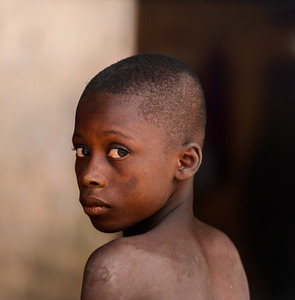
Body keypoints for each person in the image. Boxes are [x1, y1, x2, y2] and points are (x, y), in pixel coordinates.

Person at [72, 53, 249, 299]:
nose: (90, 175)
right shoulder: (224, 251)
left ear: (186, 162)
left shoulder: (117, 267)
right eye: (83, 150)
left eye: (118, 151)